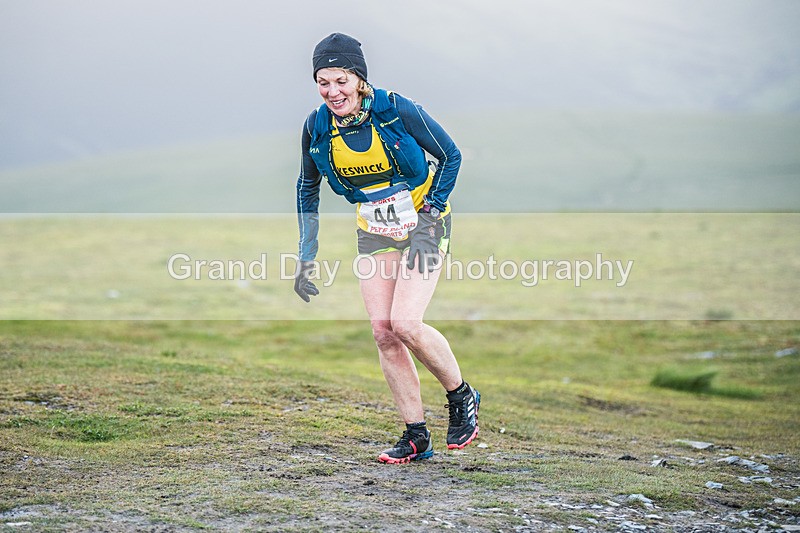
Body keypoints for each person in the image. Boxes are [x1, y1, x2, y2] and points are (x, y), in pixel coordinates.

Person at [293, 32, 480, 464]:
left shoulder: (396, 109)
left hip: (424, 223)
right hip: (375, 229)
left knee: (406, 322)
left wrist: (431, 212)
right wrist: (306, 254)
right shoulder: (317, 127)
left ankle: (461, 395)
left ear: (359, 79)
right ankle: (416, 436)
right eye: (323, 82)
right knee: (383, 332)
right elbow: (307, 187)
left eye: (341, 81)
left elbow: (450, 155)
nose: (332, 91)